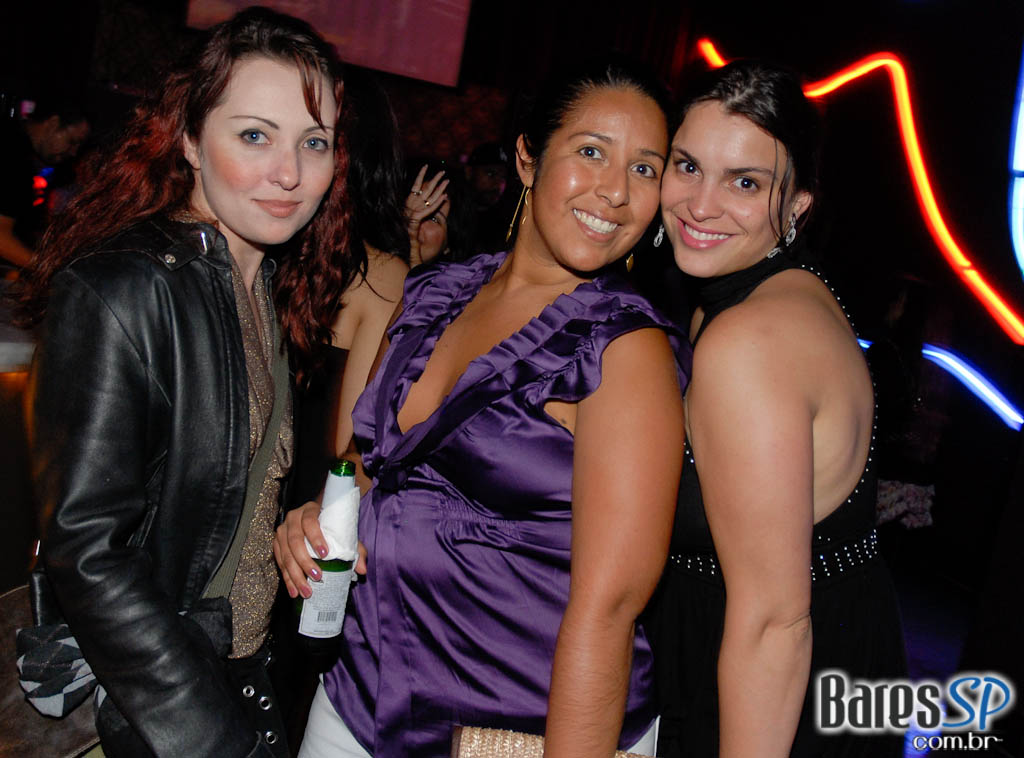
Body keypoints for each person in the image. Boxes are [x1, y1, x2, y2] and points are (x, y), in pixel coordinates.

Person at [275, 59, 689, 758]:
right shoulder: (433, 293)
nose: (616, 191)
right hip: (358, 697)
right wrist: (317, 514)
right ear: (527, 158)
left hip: (513, 730)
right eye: (591, 152)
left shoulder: (623, 348)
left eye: (645, 169)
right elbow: (367, 456)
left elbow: (611, 610)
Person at [15, 9, 352, 756]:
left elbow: (218, 490)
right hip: (160, 703)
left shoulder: (261, 280)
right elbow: (88, 551)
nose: (290, 173)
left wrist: (285, 522)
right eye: (255, 135)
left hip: (239, 670)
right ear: (192, 139)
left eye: (314, 142)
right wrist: (207, 734)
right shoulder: (125, 289)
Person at [647, 60, 906, 757]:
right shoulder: (768, 295)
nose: (701, 205)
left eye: (745, 182)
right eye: (687, 166)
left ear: (796, 207)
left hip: (763, 699)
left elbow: (774, 624)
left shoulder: (749, 341)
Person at [0, 95, 89, 269]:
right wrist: (48, 271)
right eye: (72, 142)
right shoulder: (12, 156)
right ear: (53, 123)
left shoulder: (15, 143)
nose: (74, 152)